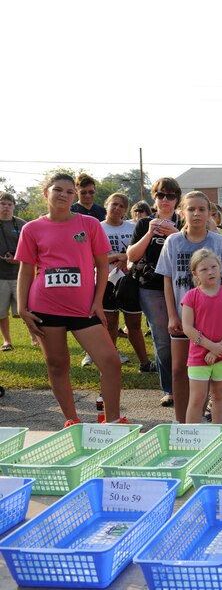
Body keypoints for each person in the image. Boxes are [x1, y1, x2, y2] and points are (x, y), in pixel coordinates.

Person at [16, 173, 125, 427]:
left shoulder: (89, 225)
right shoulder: (31, 228)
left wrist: (98, 301)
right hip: (45, 307)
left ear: (74, 195)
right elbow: (26, 270)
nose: (63, 195)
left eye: (69, 191)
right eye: (57, 190)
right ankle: (72, 421)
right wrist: (22, 308)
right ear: (46, 193)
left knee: (110, 363)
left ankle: (113, 422)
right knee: (57, 365)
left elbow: (101, 264)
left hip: (83, 308)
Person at [156, 191, 222, 423]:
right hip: (185, 321)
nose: (196, 213)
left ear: (210, 212)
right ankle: (184, 423)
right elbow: (168, 279)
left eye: (202, 209)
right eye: (191, 209)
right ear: (182, 212)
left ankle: (206, 419)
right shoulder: (173, 241)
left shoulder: (219, 241)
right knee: (181, 370)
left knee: (212, 371)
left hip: (213, 322)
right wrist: (172, 315)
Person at [128, 178, 183, 407]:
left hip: (183, 286)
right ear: (154, 197)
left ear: (177, 199)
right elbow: (131, 256)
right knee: (162, 338)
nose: (165, 200)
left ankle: (191, 383)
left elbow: (195, 251)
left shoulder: (183, 221)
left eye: (170, 196)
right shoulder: (144, 224)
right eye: (160, 195)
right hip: (152, 287)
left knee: (186, 335)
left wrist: (175, 233)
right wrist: (149, 233)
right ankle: (169, 388)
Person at [95, 193, 152, 377]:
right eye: (114, 204)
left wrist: (126, 258)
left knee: (134, 325)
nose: (117, 208)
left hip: (130, 280)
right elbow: (90, 257)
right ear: (106, 205)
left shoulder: (133, 227)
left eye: (121, 206)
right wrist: (116, 257)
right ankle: (111, 362)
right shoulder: (97, 228)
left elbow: (142, 252)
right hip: (105, 281)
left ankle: (144, 362)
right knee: (110, 324)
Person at [181, 248, 222, 424]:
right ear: (195, 273)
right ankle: (192, 439)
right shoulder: (191, 296)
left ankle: (218, 436)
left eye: (214, 267)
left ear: (220, 267)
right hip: (199, 357)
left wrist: (217, 350)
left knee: (219, 396)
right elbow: (187, 327)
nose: (210, 272)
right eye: (204, 269)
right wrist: (210, 346)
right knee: (197, 399)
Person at [0, 192, 27, 351]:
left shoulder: (22, 224)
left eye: (10, 204)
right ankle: (7, 341)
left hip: (20, 275)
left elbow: (32, 249)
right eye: (3, 204)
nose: (6, 207)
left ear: (14, 206)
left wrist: (17, 259)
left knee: (25, 311)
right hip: (0, 277)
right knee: (1, 313)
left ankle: (34, 337)